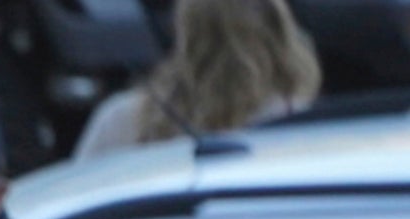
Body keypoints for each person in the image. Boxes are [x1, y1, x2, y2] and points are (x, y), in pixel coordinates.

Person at [76, 0, 321, 159]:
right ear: (281, 36)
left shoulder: (119, 119)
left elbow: (73, 201)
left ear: (184, 35)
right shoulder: (302, 129)